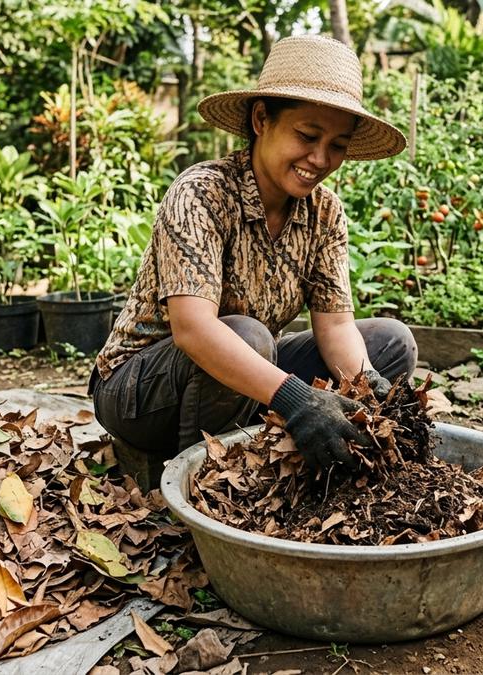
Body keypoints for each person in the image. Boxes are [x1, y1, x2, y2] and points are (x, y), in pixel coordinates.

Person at [88, 34, 418, 490]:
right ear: (261, 119)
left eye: (337, 145)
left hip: (246, 373)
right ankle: (199, 489)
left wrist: (366, 387)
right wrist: (296, 399)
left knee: (390, 343)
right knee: (247, 334)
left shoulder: (325, 212)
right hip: (140, 390)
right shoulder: (201, 194)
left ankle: (324, 469)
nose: (320, 159)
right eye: (307, 135)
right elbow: (193, 330)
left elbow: (337, 327)